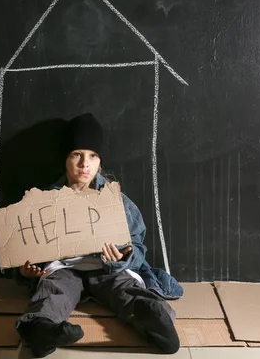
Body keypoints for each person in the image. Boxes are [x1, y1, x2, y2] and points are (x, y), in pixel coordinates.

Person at [13, 113, 183, 357]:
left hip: (107, 269)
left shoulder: (116, 200)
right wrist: (27, 271)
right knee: (53, 291)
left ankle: (155, 322)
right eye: (76, 154)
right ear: (65, 159)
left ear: (100, 162)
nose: (85, 163)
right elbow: (30, 247)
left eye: (92, 156)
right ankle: (42, 330)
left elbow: (137, 245)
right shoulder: (44, 201)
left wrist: (124, 255)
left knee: (127, 288)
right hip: (65, 268)